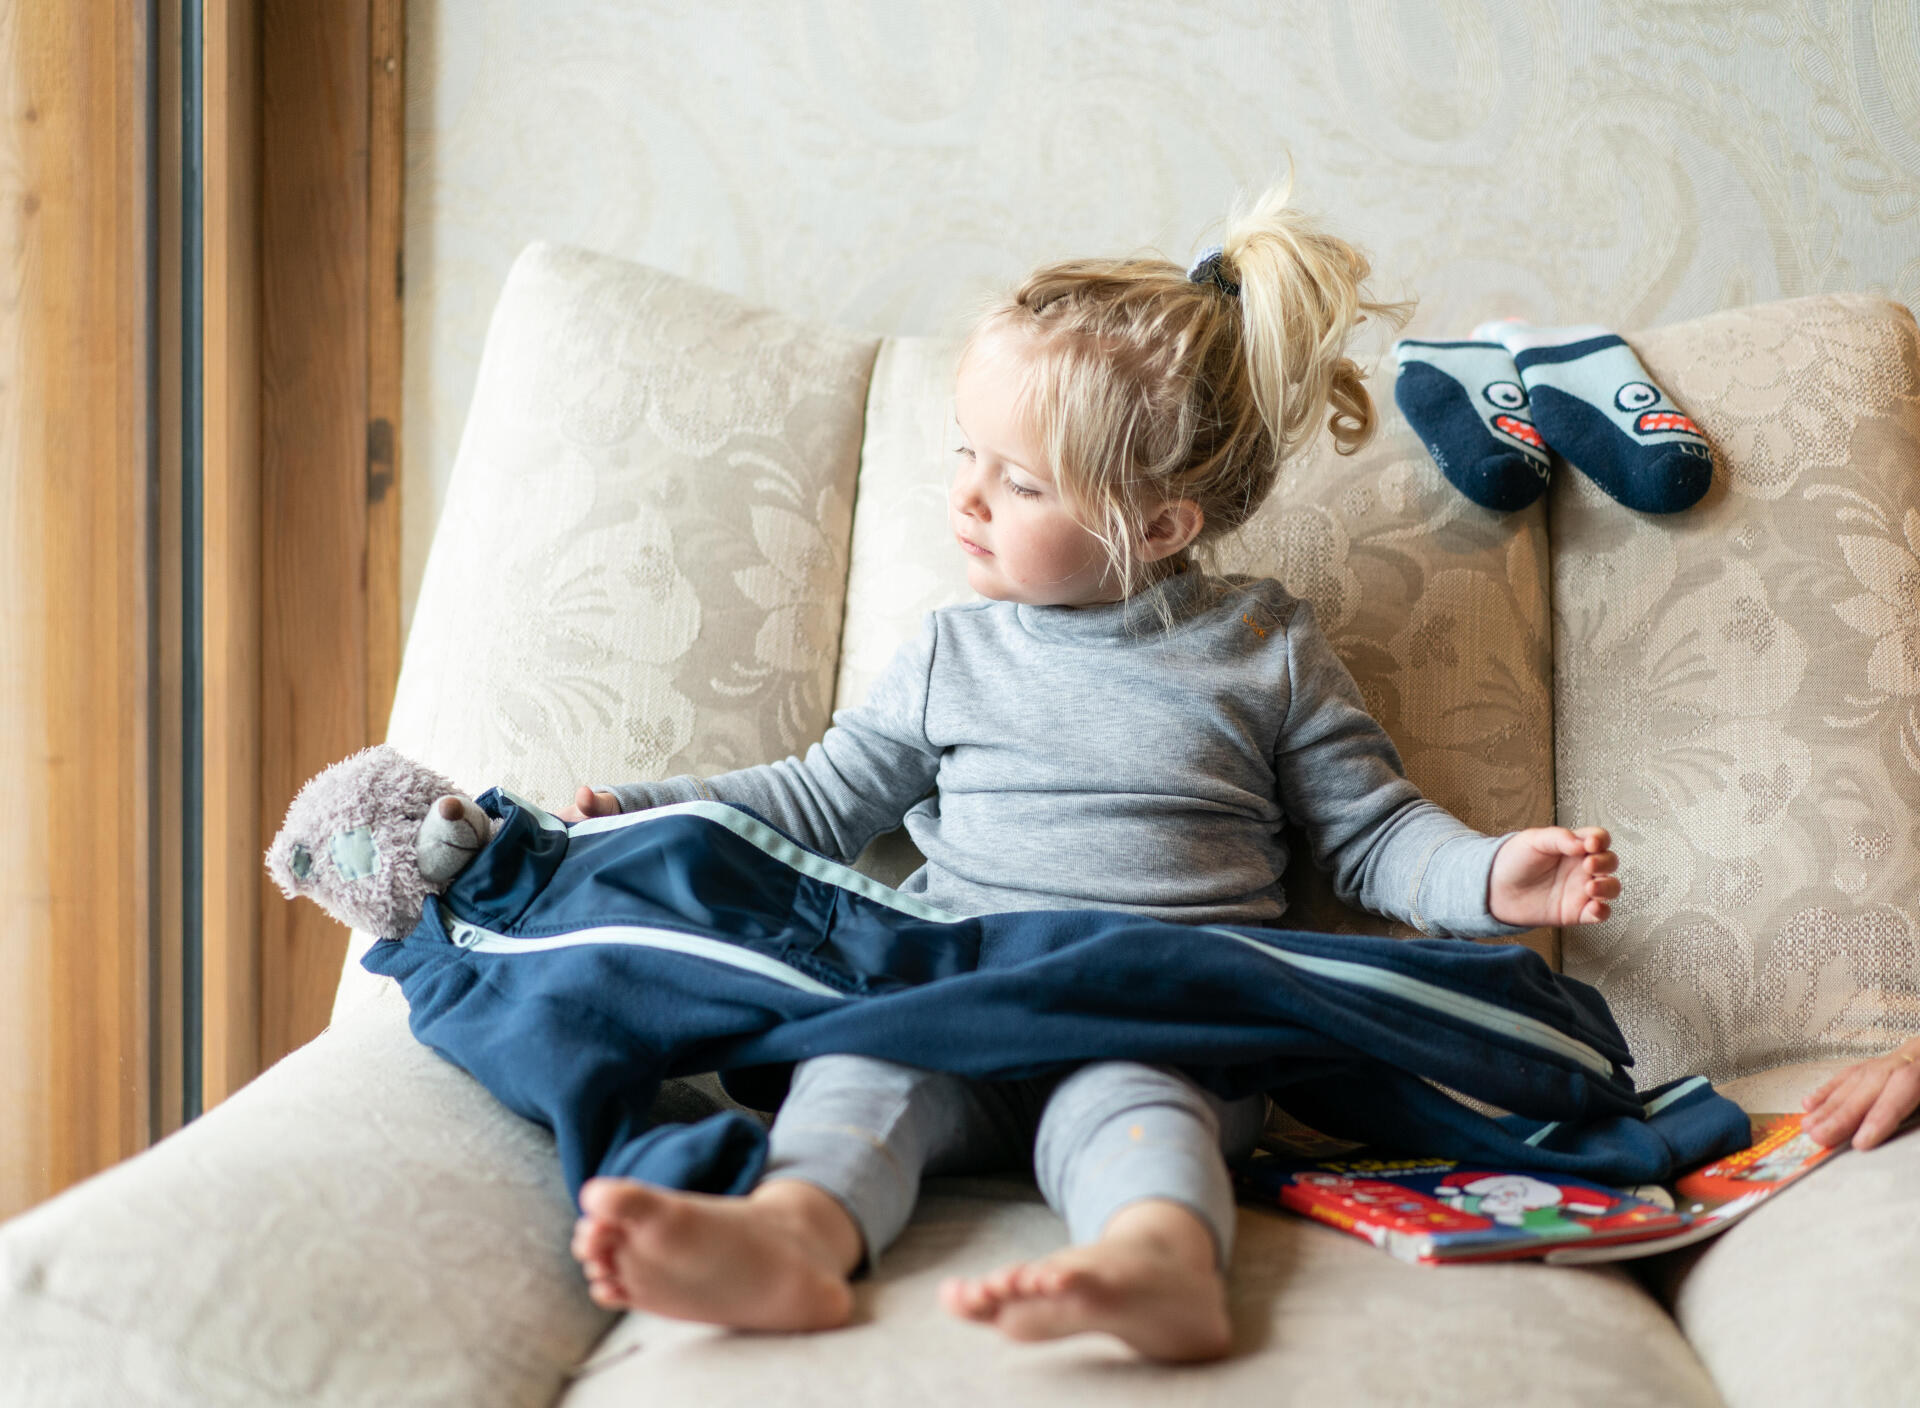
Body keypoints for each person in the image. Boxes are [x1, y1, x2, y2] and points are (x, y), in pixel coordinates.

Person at [558, 185, 1622, 1363]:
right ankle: (794, 1237)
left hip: (1160, 1009)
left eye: (1020, 482)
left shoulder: (1262, 649)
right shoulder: (950, 655)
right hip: (956, 990)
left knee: (1143, 1117)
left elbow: (1370, 837)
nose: (965, 494)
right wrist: (634, 813)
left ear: (1161, 526)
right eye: (967, 452)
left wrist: (1492, 874)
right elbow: (814, 803)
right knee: (855, 1077)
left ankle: (1157, 1262)